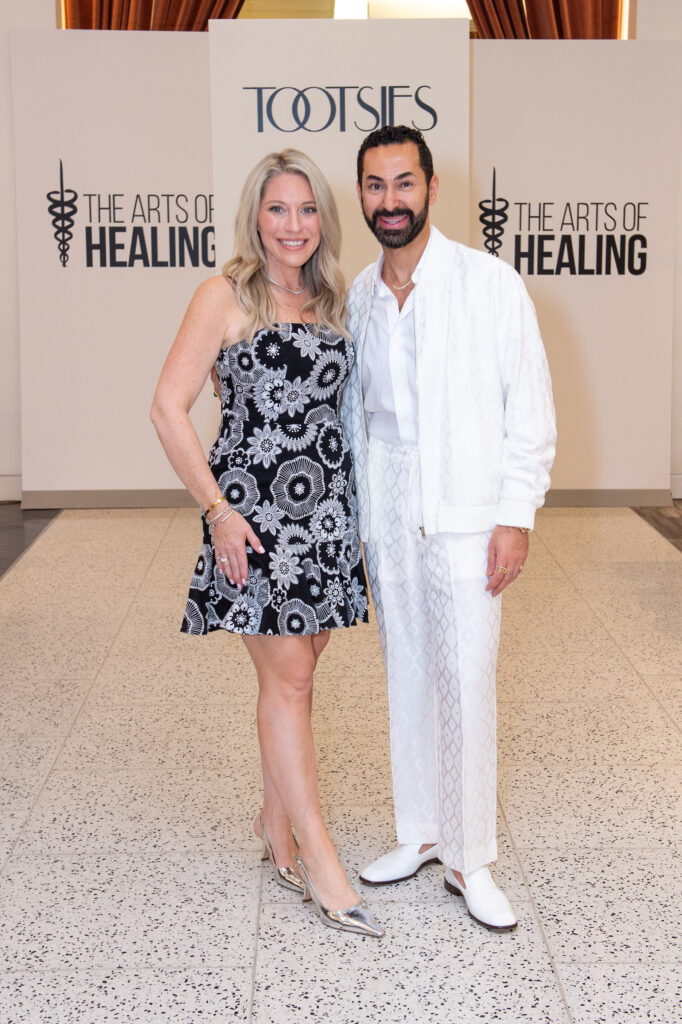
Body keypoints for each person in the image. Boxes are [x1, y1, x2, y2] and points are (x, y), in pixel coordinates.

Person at [151, 149, 383, 939]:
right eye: (278, 209)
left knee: (301, 672)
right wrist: (216, 510)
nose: (293, 225)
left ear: (325, 217)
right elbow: (166, 407)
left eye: (307, 209)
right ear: (256, 214)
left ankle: (272, 825)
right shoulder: (224, 295)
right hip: (251, 518)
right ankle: (317, 854)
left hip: (324, 518)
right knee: (288, 682)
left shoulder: (337, 298)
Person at [342, 125, 556, 931]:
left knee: (466, 677)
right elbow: (359, 421)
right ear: (360, 194)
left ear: (431, 187)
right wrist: (362, 526)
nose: (389, 200)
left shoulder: (488, 284)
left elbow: (529, 409)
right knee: (407, 671)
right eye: (374, 184)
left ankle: (473, 859)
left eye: (403, 183)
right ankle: (421, 833)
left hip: (467, 511)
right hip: (389, 505)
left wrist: (515, 515)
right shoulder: (360, 293)